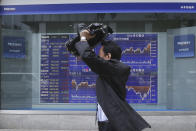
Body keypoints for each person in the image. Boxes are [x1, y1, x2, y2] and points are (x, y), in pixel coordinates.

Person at [72, 29, 151, 131]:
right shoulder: (111, 69)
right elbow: (91, 58)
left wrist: (83, 37)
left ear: (108, 56)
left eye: (100, 56)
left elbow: (90, 58)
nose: (98, 59)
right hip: (107, 121)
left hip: (112, 123)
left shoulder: (113, 69)